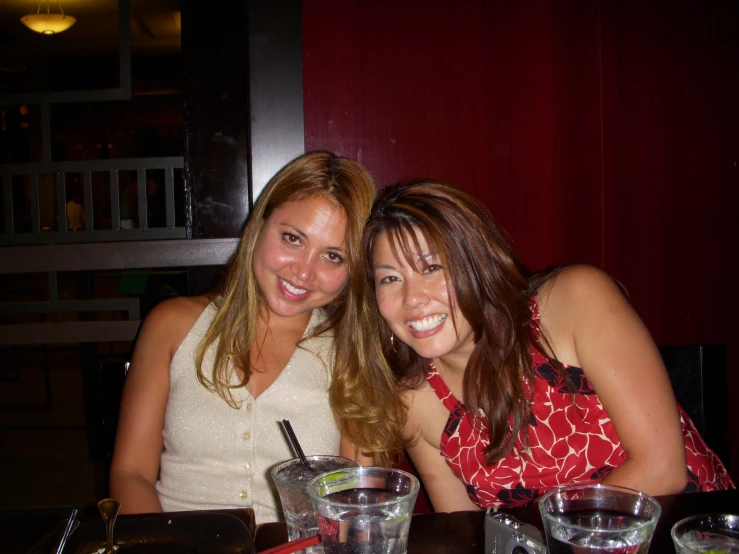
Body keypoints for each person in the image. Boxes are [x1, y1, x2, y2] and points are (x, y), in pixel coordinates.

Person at [356, 179, 734, 512]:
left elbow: (663, 470)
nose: (412, 299)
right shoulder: (415, 402)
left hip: (686, 535)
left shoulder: (573, 302)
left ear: (478, 263)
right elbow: (465, 532)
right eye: (389, 278)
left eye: (432, 267)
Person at [110, 151, 377, 522]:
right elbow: (131, 473)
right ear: (259, 224)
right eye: (292, 238)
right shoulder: (171, 325)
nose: (303, 271)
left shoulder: (352, 354)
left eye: (333, 256)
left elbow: (355, 504)